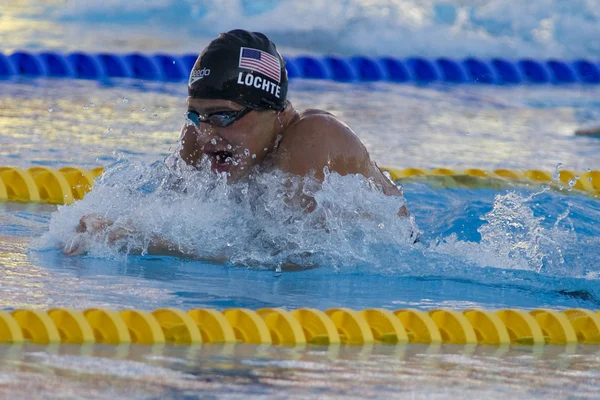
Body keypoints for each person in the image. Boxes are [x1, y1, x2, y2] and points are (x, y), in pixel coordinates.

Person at [62, 29, 410, 257]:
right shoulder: (202, 136)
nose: (206, 135)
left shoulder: (314, 137)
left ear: (272, 110)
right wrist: (111, 224)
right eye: (196, 116)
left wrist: (154, 243)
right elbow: (171, 209)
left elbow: (289, 258)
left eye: (224, 116)